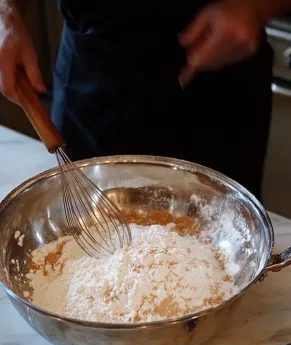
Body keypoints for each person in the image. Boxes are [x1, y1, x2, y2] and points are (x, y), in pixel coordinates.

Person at [0, 1, 291, 200]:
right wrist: (5, 13)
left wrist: (257, 6)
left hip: (221, 82)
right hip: (93, 76)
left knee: (228, 234)